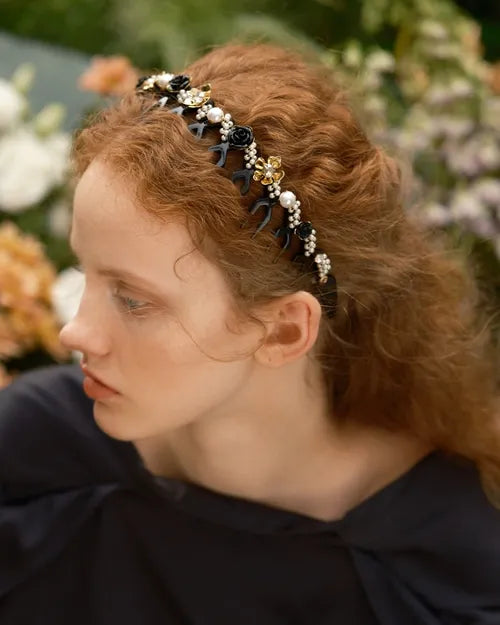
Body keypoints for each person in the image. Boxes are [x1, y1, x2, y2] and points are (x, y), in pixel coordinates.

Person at [1, 43, 499, 624]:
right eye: (85, 271)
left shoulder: (447, 571)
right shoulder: (41, 458)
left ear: (283, 331)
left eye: (134, 300)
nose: (73, 333)